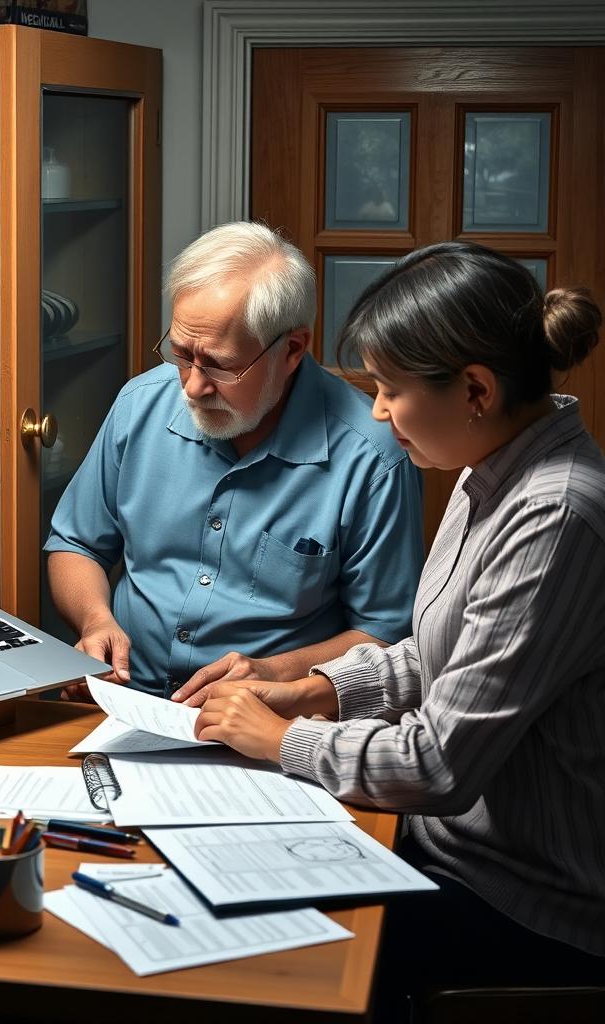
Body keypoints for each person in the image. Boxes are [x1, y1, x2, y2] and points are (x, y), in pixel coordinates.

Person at [181, 241, 605, 1014]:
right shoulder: (491, 469)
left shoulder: (556, 517)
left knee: (258, 966)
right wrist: (309, 692)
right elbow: (433, 658)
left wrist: (281, 743)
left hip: (528, 898)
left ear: (475, 389)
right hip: (449, 850)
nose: (376, 411)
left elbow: (440, 766)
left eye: (389, 388)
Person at [45, 221, 424, 698]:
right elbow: (74, 544)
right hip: (122, 701)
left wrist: (276, 672)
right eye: (181, 353)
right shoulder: (140, 404)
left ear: (291, 350)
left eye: (220, 365)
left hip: (261, 721)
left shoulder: (373, 457)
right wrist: (95, 619)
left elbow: (385, 635)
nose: (192, 386)